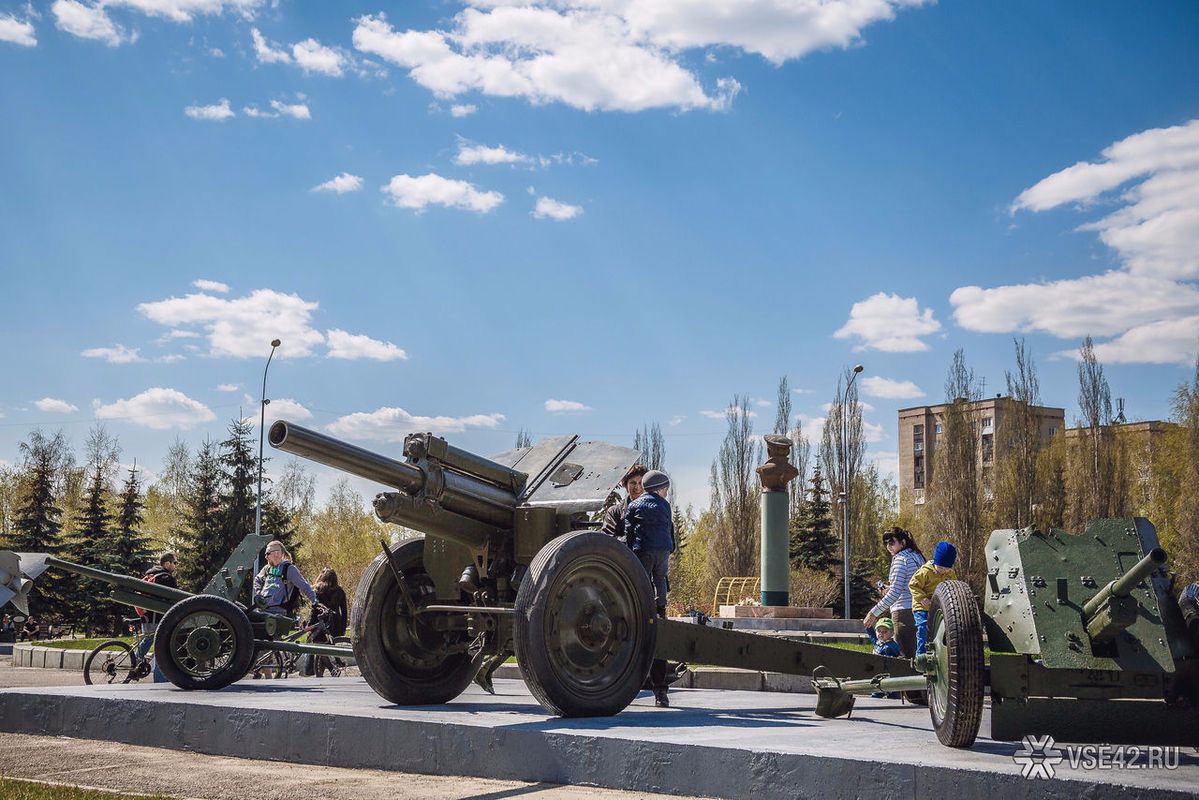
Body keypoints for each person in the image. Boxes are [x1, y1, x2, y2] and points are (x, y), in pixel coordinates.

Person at [625, 469, 674, 707]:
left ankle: (659, 689)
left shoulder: (633, 508)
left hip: (639, 562)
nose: (635, 487)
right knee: (658, 579)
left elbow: (630, 533)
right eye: (630, 483)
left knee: (657, 634)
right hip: (627, 593)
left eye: (638, 483)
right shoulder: (662, 505)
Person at [864, 527, 925, 661]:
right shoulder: (917, 556)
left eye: (892, 542)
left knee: (905, 661)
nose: (888, 546)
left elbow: (895, 593)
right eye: (886, 543)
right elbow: (909, 584)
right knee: (920, 658)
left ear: (902, 542)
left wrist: (873, 613)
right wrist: (890, 588)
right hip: (920, 610)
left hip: (904, 614)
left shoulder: (900, 559)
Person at [909, 541, 958, 655]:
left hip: (939, 608)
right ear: (935, 561)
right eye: (940, 567)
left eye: (947, 568)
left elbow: (954, 587)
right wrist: (922, 598)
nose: (943, 571)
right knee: (923, 628)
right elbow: (913, 585)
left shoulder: (950, 574)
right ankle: (921, 655)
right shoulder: (925, 571)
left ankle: (940, 654)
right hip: (922, 607)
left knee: (943, 631)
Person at [253, 541, 319, 618]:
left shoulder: (289, 569)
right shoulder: (267, 568)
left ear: (276, 553)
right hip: (262, 610)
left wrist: (315, 601)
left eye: (267, 553)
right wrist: (259, 593)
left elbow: (304, 585)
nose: (266, 557)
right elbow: (257, 580)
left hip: (277, 613)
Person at [140, 552, 178, 682]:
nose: (175, 566)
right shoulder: (167, 578)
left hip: (146, 617)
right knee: (161, 648)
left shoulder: (149, 574)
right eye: (175, 563)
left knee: (148, 640)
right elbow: (175, 600)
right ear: (167, 563)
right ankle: (160, 680)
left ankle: (135, 663)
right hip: (159, 619)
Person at [601, 464, 647, 545]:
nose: (637, 487)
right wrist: (633, 540)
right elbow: (607, 540)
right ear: (626, 485)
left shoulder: (656, 510)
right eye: (633, 483)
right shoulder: (615, 512)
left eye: (641, 483)